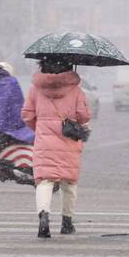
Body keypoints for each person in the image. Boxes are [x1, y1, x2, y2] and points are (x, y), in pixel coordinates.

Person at [22, 59, 91, 238]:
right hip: (68, 141)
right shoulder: (76, 91)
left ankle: (43, 216)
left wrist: (42, 127)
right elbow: (83, 117)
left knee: (44, 181)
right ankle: (67, 222)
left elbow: (27, 116)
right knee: (69, 182)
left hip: (44, 141)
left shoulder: (35, 90)